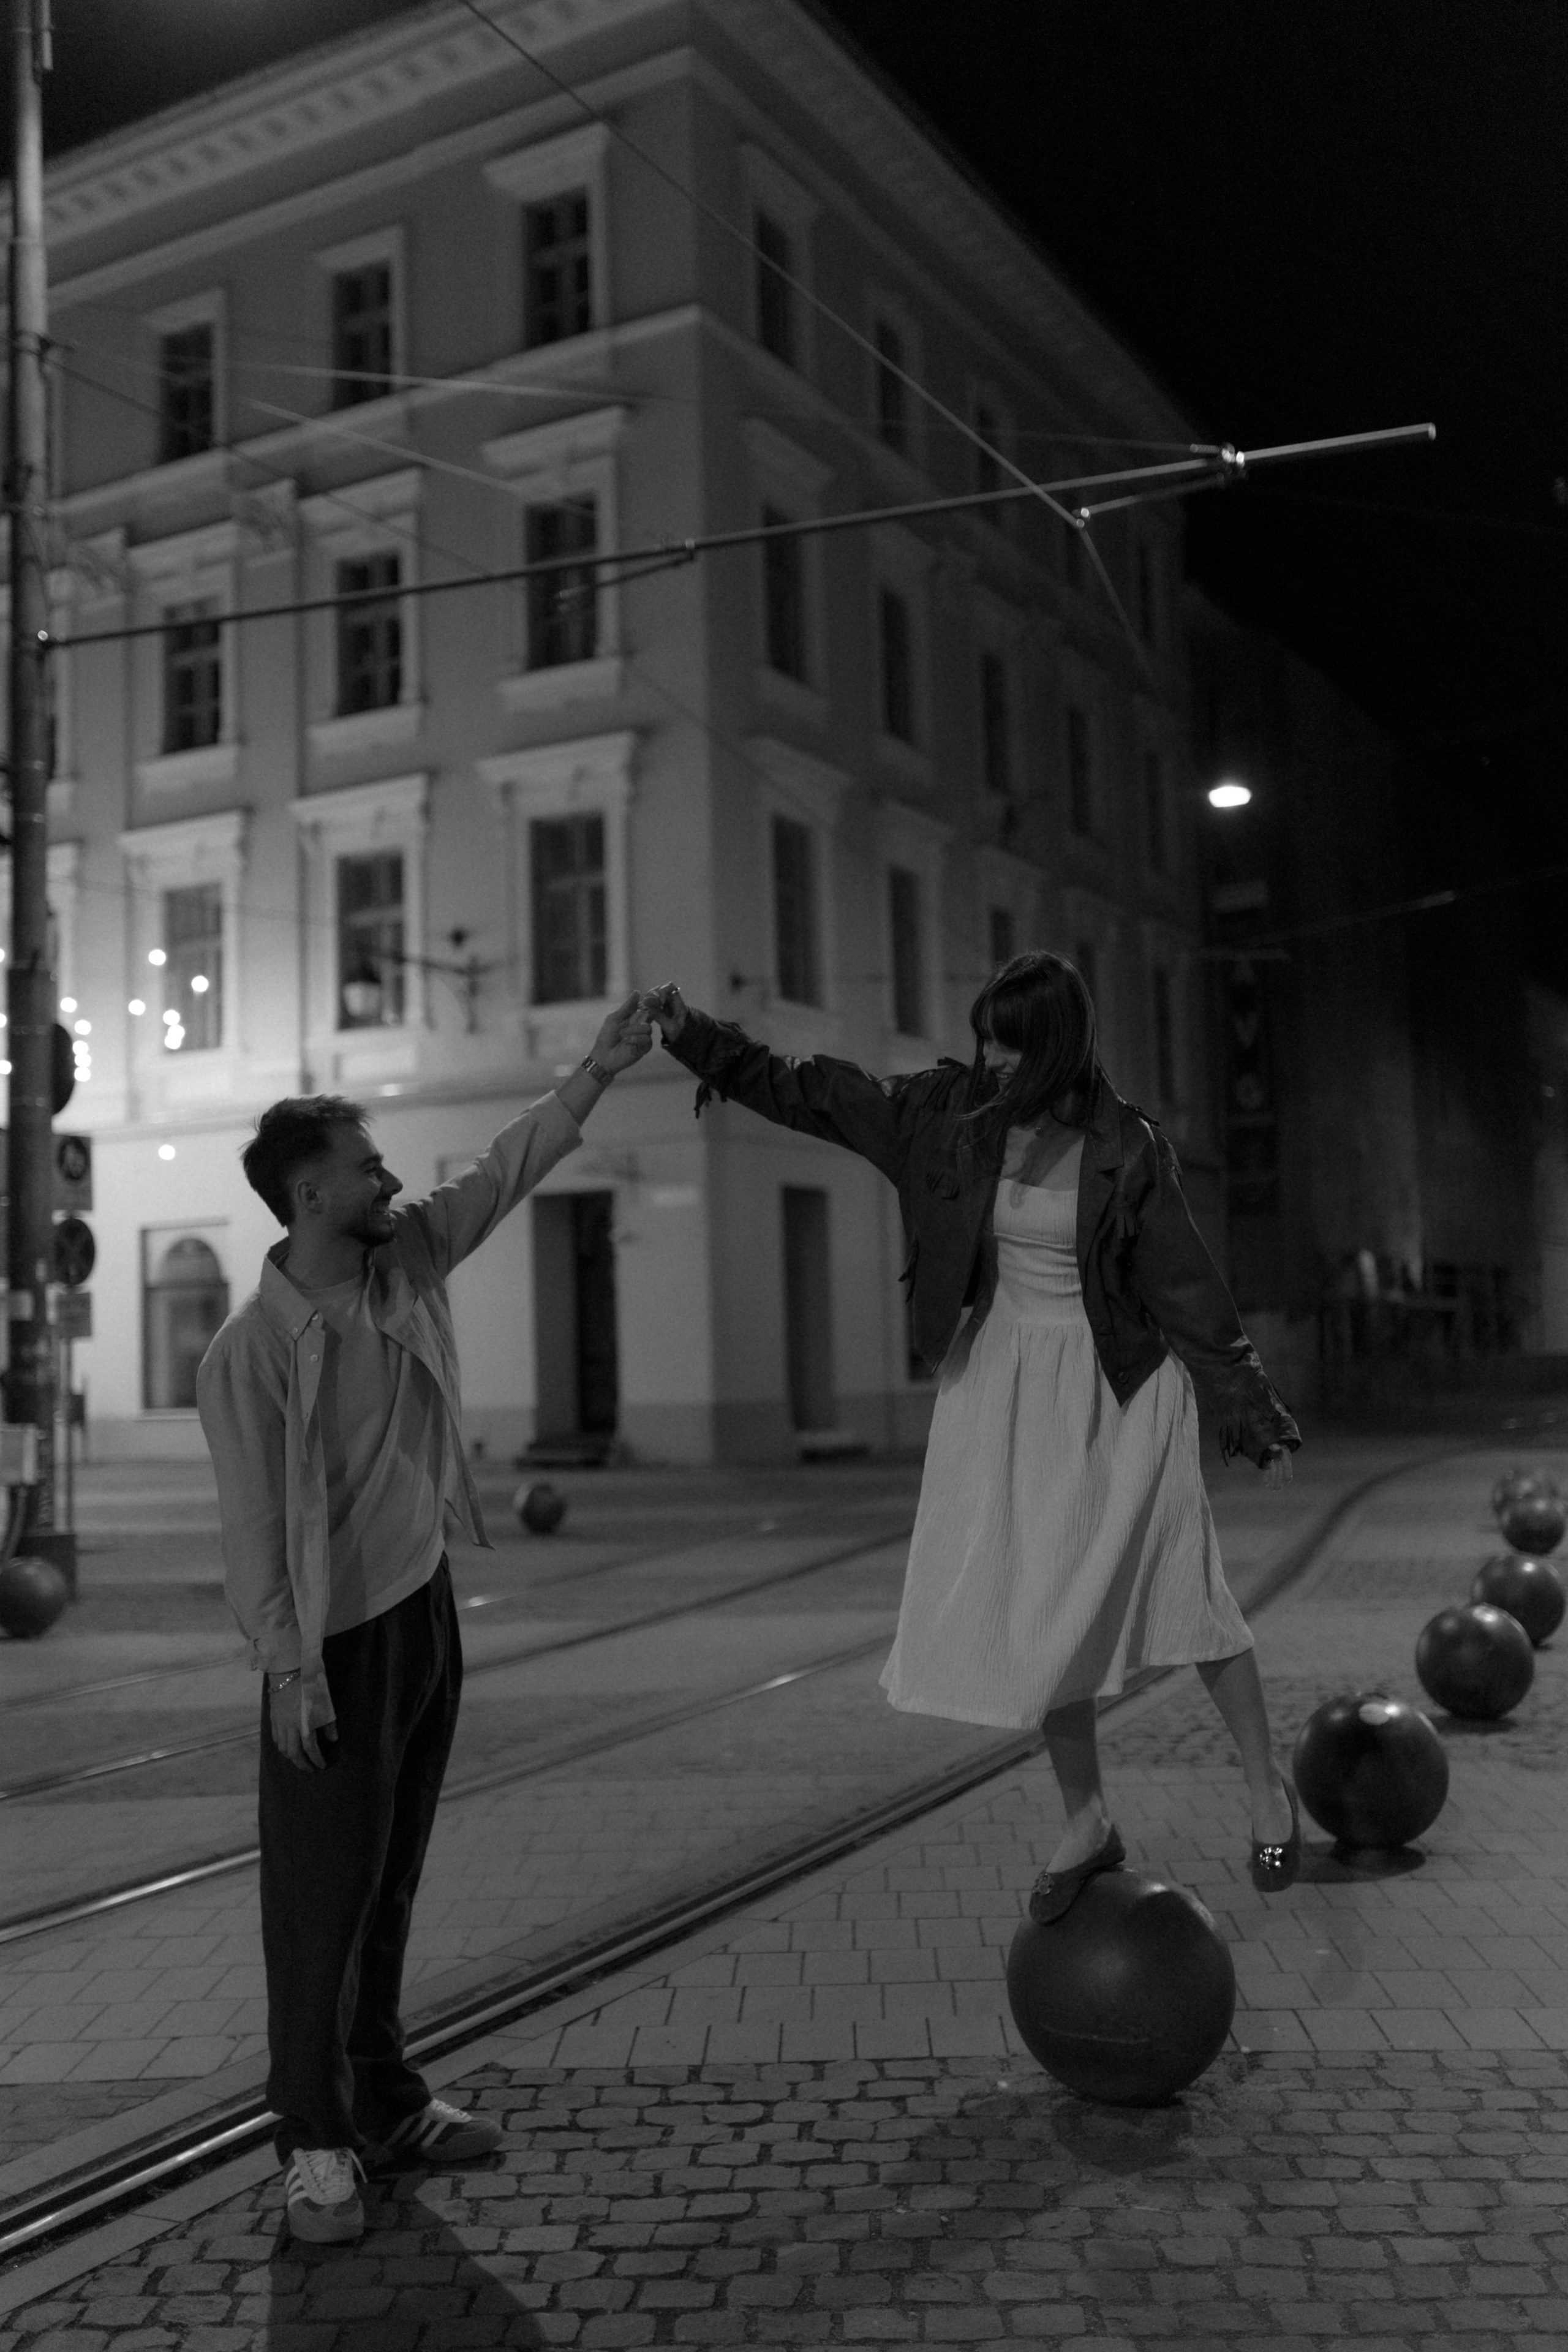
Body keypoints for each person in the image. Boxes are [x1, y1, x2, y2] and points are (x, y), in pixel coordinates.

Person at [643, 952, 1302, 1923]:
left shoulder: (1125, 1144)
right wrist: (699, 1038)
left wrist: (1247, 1405)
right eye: (985, 1035)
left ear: (1057, 1046)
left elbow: (1185, 1284)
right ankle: (1087, 1821)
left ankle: (1264, 1784)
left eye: (1011, 1042)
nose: (991, 1057)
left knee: (1190, 1591)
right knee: (1043, 1611)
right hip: (999, 1384)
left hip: (1118, 1384)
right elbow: (814, 1096)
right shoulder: (942, 1116)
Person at [196, 997, 652, 2245]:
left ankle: (386, 2102)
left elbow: (501, 1173)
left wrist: (595, 1071)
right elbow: (250, 1534)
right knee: (317, 1905)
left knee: (389, 1884)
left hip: (419, 1614)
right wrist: (288, 1669)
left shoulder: (402, 1267)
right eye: (363, 1168)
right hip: (327, 1649)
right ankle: (312, 2142)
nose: (390, 1180)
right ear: (305, 1197)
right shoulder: (247, 1354)